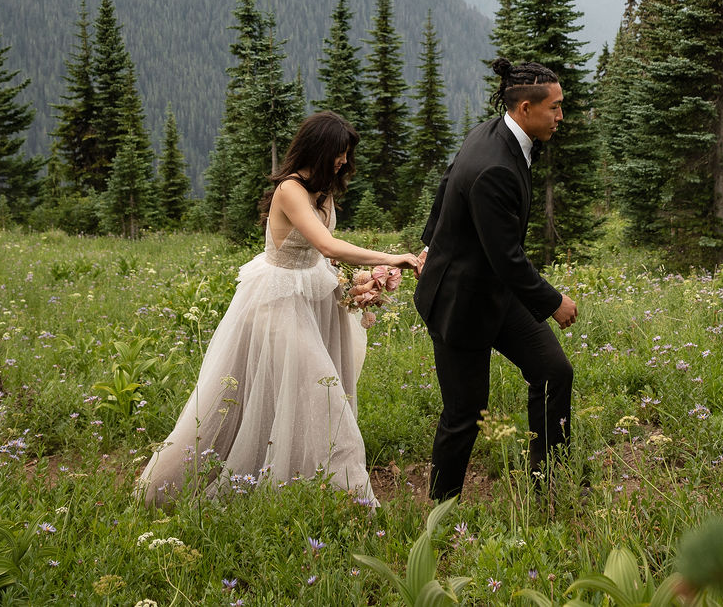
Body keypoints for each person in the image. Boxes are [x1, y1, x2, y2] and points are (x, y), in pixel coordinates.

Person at [137, 111, 419, 508]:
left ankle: (302, 490)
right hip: (278, 300)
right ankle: (346, 500)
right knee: (319, 393)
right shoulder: (290, 189)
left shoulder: (323, 190)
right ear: (319, 149)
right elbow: (328, 245)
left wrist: (358, 284)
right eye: (339, 153)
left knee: (304, 392)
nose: (343, 161)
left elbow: (324, 255)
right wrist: (394, 257)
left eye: (346, 154)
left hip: (314, 293)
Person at [413, 58, 578, 501]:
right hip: (460, 302)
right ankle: (440, 509)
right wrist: (553, 301)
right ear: (525, 108)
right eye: (555, 108)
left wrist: (429, 242)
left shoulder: (496, 133)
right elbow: (506, 257)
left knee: (554, 372)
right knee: (465, 413)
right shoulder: (496, 167)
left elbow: (447, 184)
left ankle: (547, 485)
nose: (561, 116)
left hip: (494, 293)